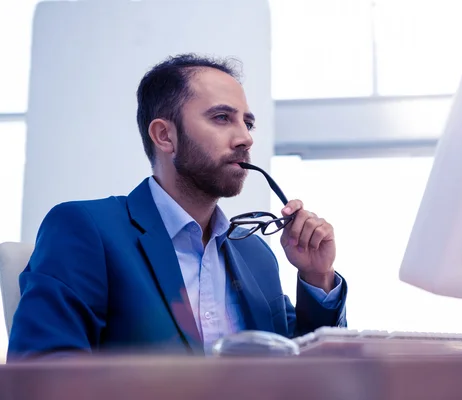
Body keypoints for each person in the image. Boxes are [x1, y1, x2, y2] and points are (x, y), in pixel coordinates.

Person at [7, 54, 347, 360]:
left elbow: (304, 372)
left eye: (247, 122)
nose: (246, 137)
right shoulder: (84, 228)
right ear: (165, 136)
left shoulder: (255, 253)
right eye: (221, 118)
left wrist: (317, 276)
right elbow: (43, 372)